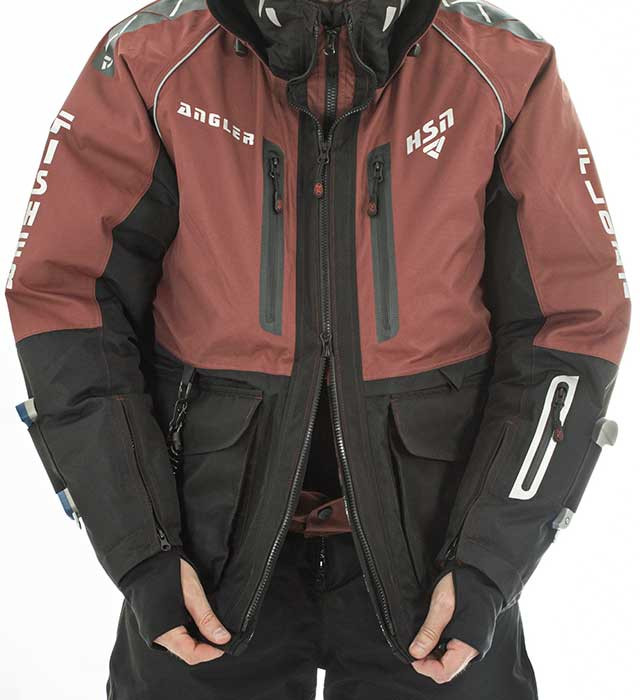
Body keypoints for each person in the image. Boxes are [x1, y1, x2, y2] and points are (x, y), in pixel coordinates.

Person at [6, 1, 630, 698]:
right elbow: (67, 298)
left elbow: (570, 324)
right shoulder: (150, 60)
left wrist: (490, 558)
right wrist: (141, 544)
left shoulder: (504, 66)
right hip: (201, 570)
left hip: (441, 575)